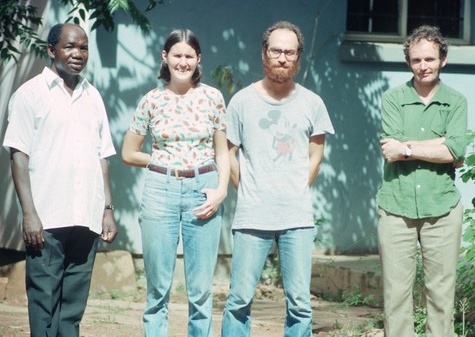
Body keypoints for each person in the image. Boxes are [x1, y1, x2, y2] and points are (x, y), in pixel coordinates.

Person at [2, 23, 118, 337]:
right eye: (69, 46)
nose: (77, 54)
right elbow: (19, 156)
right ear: (52, 50)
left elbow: (102, 157)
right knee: (43, 303)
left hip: (86, 216)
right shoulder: (29, 94)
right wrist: (29, 214)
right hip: (47, 218)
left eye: (83, 47)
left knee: (72, 309)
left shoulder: (92, 96)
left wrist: (107, 208)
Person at [221, 21, 334, 336]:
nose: (283, 57)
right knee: (239, 299)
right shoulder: (242, 101)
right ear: (264, 54)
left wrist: (298, 188)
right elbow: (228, 153)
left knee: (299, 302)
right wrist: (245, 189)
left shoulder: (313, 103)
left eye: (290, 52)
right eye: (276, 51)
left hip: (296, 216)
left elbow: (316, 155)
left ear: (298, 58)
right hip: (251, 215)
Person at [121, 29, 229, 336]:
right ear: (165, 57)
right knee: (158, 289)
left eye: (189, 56)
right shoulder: (151, 100)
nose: (183, 62)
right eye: (177, 55)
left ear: (198, 60)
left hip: (203, 189)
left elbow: (222, 151)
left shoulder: (212, 98)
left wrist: (221, 191)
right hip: (160, 191)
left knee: (200, 290)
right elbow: (129, 153)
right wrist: (160, 161)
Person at [376, 25, 467, 336]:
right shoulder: (392, 99)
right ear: (408, 62)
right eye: (416, 60)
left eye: (430, 59)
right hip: (395, 206)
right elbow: (390, 150)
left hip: (442, 207)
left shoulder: (455, 101)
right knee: (396, 296)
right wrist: (437, 146)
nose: (423, 66)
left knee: (441, 295)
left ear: (443, 59)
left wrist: (409, 147)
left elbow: (455, 150)